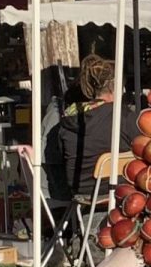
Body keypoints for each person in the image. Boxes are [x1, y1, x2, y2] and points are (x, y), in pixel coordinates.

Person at [57, 55, 140, 199]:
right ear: (118, 88)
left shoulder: (68, 119)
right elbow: (144, 146)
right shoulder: (122, 116)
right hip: (120, 189)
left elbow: (61, 156)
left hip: (81, 193)